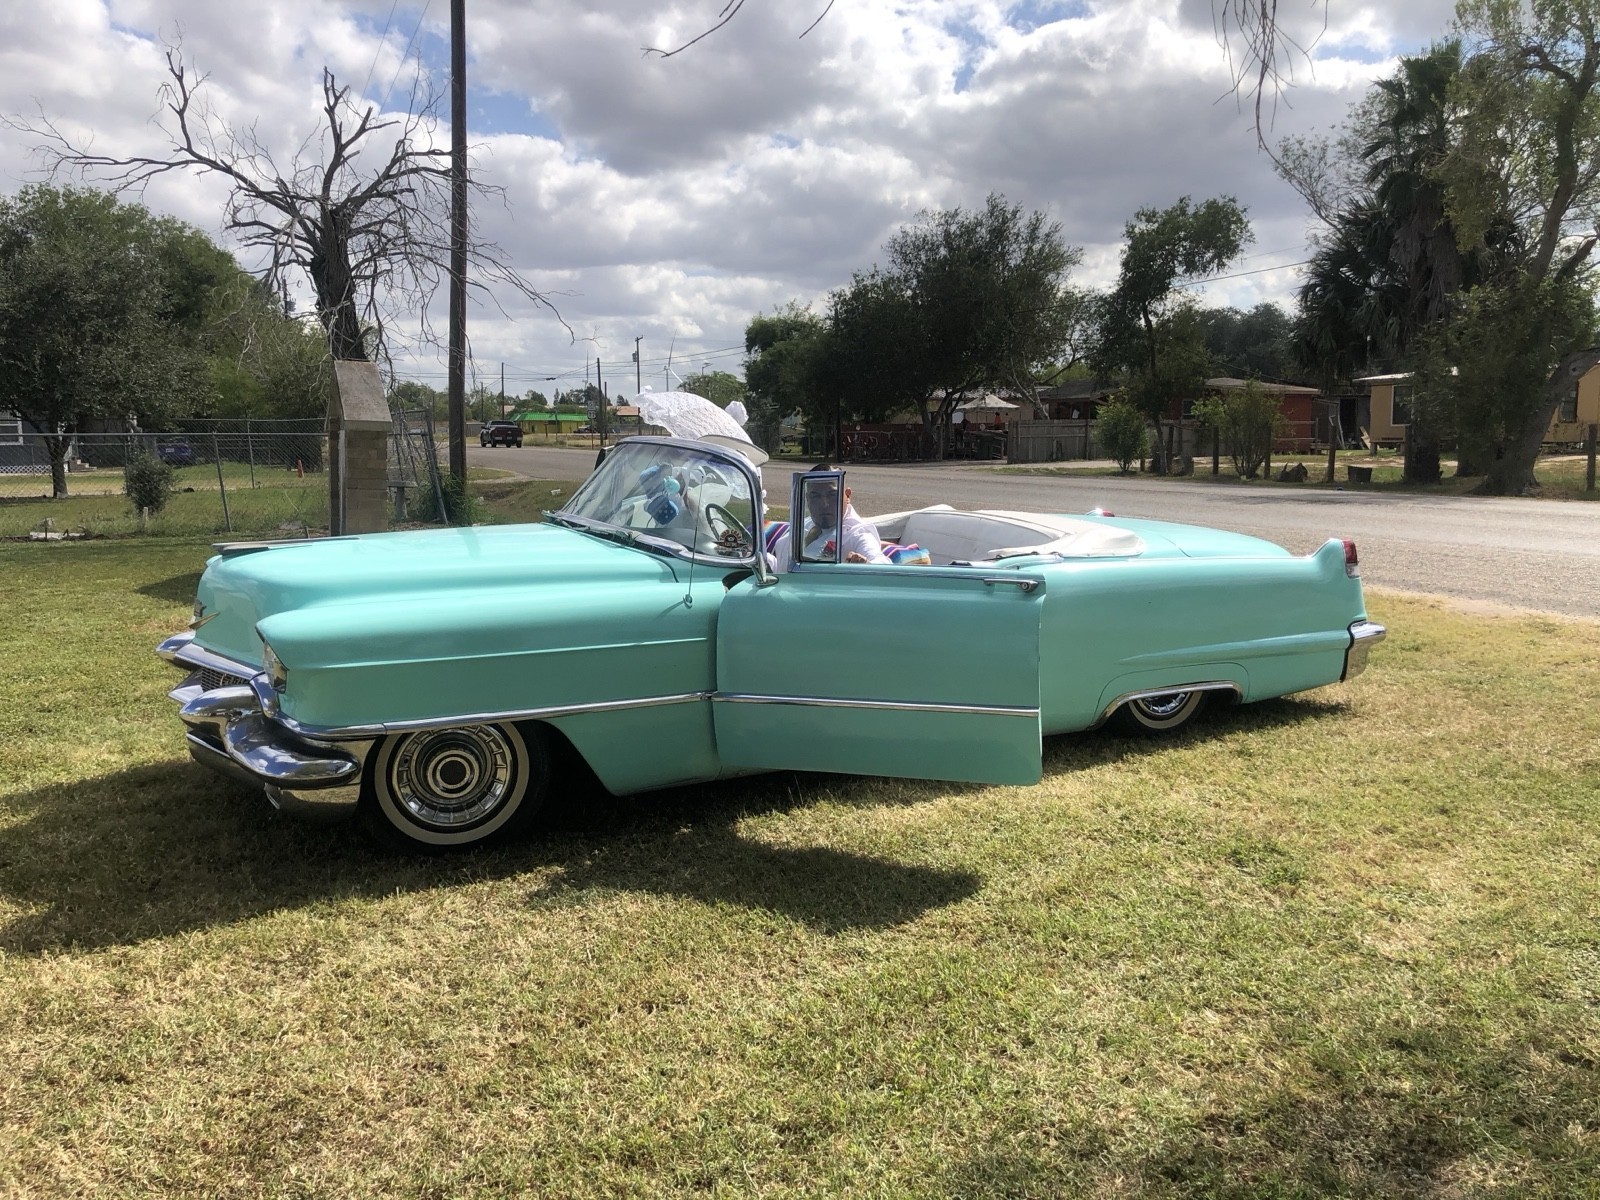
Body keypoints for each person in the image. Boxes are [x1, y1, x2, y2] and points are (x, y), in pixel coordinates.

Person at [771, 470, 888, 571]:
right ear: (807, 498)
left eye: (832, 495)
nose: (824, 504)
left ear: (847, 495)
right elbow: (781, 563)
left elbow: (883, 566)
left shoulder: (858, 533)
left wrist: (866, 564)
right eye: (815, 496)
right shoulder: (804, 523)